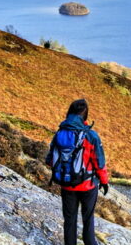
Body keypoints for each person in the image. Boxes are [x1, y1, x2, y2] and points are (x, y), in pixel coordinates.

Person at [45, 99, 109, 245]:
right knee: (88, 219)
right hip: (87, 185)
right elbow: (99, 163)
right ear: (85, 115)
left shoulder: (60, 133)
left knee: (69, 220)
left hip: (67, 184)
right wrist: (104, 182)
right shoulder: (91, 136)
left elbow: (50, 160)